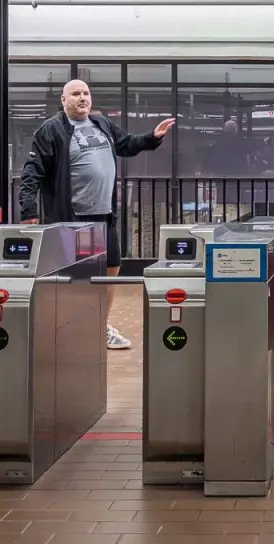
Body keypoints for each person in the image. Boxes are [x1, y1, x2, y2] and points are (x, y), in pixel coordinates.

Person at [18, 79, 175, 350]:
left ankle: (98, 324)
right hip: (74, 216)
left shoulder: (101, 124)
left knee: (111, 267)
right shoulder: (51, 130)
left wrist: (152, 138)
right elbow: (33, 170)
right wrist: (28, 208)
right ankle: (71, 328)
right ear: (63, 100)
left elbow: (126, 144)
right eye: (76, 94)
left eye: (86, 93)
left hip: (104, 214)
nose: (82, 98)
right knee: (77, 275)